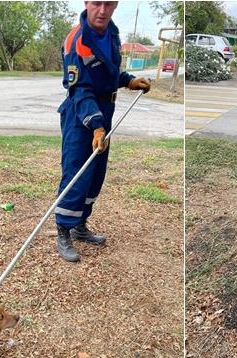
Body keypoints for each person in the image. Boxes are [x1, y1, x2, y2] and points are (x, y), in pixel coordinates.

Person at [55, 1, 151, 262]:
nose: (102, 10)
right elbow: (80, 89)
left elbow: (108, 72)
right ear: (86, 3)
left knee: (96, 175)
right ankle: (63, 229)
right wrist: (96, 126)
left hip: (104, 115)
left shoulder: (112, 33)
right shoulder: (77, 39)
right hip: (80, 114)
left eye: (108, 3)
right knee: (76, 173)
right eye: (96, 2)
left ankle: (79, 226)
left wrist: (128, 80)